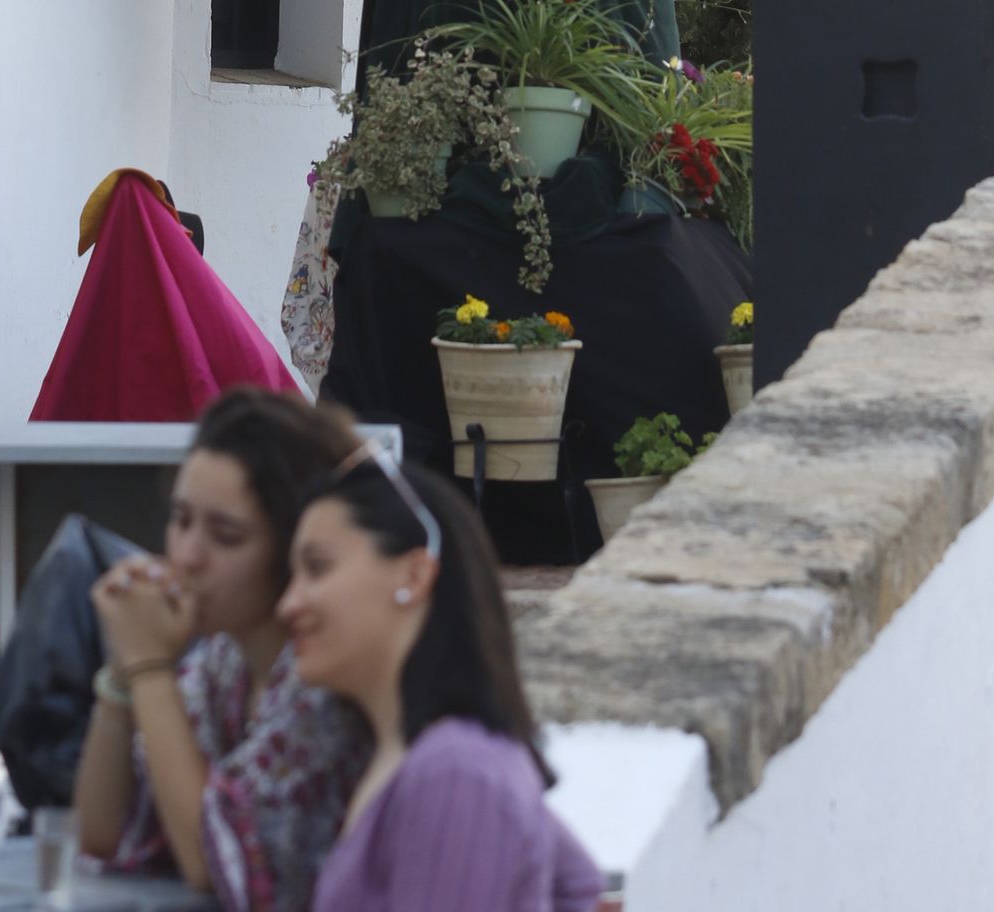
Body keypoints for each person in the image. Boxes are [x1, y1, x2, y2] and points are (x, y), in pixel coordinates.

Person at [75, 387, 368, 910]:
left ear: (294, 549)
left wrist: (148, 667)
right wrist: (121, 673)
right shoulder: (223, 663)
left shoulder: (323, 683)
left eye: (226, 536)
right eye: (181, 520)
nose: (187, 556)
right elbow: (101, 834)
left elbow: (211, 865)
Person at [279, 450, 605, 912]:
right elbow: (576, 884)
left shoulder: (455, 773)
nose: (289, 604)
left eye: (317, 568)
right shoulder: (423, 757)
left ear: (414, 573)